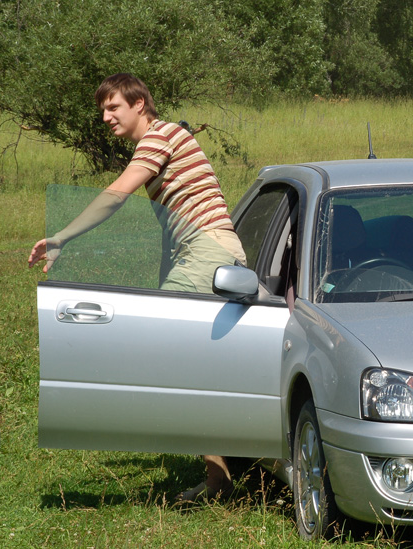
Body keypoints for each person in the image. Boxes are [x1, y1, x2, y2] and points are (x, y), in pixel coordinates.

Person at [28, 73, 244, 503]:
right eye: (103, 110)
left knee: (165, 359)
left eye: (114, 108)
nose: (106, 117)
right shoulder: (164, 139)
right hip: (203, 253)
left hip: (206, 252)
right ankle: (223, 473)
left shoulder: (161, 136)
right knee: (188, 365)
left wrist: (62, 237)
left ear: (140, 103)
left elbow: (116, 195)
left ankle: (223, 475)